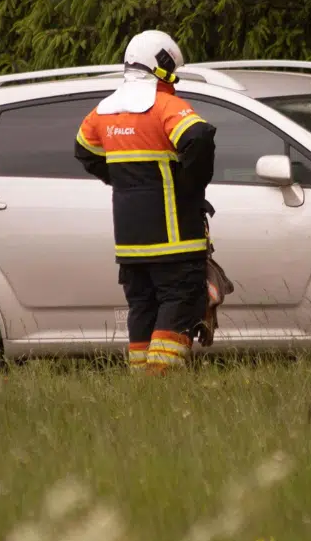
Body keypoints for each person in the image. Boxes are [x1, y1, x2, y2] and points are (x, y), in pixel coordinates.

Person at [74, 30, 218, 374]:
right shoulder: (167, 105)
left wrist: (122, 179)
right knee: (181, 301)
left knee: (142, 308)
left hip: (130, 244)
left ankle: (142, 384)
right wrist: (188, 184)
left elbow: (83, 150)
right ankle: (159, 382)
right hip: (174, 240)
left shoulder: (104, 111)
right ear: (163, 67)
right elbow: (198, 137)